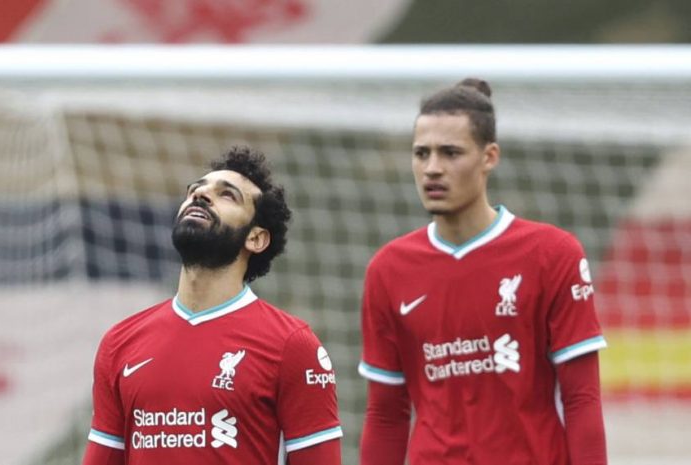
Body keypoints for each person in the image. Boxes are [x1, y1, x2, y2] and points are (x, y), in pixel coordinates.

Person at [358, 79, 607, 465]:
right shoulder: (388, 270)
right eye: (421, 153)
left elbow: (582, 399)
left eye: (450, 153)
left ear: (489, 157)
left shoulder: (552, 254)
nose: (432, 169)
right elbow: (386, 414)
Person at [82, 146, 342, 465]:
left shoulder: (293, 346)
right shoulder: (119, 343)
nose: (201, 195)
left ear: (256, 238)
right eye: (195, 189)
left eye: (227, 195)